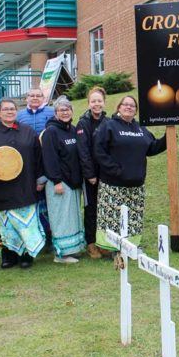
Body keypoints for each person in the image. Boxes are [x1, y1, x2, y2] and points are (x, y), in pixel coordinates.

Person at [0, 99, 46, 269]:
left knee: (26, 223)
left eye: (12, 109)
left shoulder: (28, 132)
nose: (9, 112)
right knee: (7, 224)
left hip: (26, 185)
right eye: (5, 109)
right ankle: (9, 255)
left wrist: (40, 179)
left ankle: (26, 255)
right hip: (2, 186)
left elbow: (38, 157)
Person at [93, 95, 167, 253]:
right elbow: (99, 152)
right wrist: (116, 170)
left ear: (136, 110)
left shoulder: (141, 129)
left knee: (134, 217)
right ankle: (113, 248)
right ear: (119, 107)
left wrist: (168, 138)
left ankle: (132, 245)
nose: (128, 107)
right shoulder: (109, 126)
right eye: (125, 104)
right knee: (113, 217)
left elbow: (152, 148)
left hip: (136, 184)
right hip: (113, 184)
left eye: (132, 106)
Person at [42, 96, 85, 263]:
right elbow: (49, 158)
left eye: (68, 109)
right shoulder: (50, 132)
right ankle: (61, 255)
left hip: (73, 182)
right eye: (61, 110)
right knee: (61, 218)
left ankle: (73, 249)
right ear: (55, 113)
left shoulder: (73, 130)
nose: (65, 112)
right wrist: (57, 181)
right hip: (59, 183)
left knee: (72, 217)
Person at [15, 87, 54, 251]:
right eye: (32, 95)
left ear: (43, 98)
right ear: (27, 98)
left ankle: (50, 238)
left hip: (47, 160)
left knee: (48, 203)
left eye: (38, 95)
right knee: (33, 203)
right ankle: (34, 238)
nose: (35, 98)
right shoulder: (20, 115)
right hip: (27, 165)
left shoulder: (51, 112)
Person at [75, 86, 108, 259]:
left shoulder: (108, 122)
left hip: (106, 174)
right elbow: (83, 152)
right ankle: (91, 243)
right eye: (93, 101)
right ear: (88, 103)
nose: (96, 104)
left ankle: (103, 242)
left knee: (104, 209)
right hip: (91, 177)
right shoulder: (83, 123)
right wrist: (90, 175)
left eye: (99, 101)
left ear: (104, 103)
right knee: (91, 209)